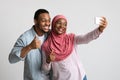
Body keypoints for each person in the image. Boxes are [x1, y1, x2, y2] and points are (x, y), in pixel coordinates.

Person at [41, 15, 107, 80]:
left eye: (65, 24)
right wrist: (48, 61)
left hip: (81, 77)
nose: (62, 26)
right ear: (53, 24)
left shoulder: (71, 38)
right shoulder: (46, 46)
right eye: (59, 23)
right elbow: (45, 70)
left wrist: (99, 30)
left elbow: (86, 38)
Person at [9, 9, 51, 80]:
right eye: (43, 21)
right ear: (35, 21)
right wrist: (29, 47)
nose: (47, 23)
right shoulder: (25, 37)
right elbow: (11, 59)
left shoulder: (51, 35)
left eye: (49, 20)